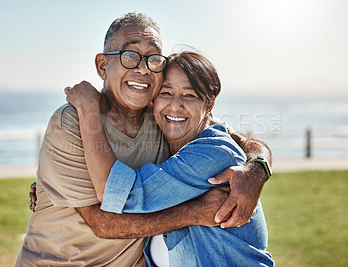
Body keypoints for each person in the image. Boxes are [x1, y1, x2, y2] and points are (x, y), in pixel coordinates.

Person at [19, 12, 272, 266]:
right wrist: (194, 212)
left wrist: (256, 169)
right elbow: (103, 223)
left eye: (153, 59)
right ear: (102, 66)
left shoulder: (168, 122)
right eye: (130, 56)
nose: (142, 68)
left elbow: (235, 143)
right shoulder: (72, 122)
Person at [66, 51, 274, 266]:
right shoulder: (166, 151)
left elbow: (119, 194)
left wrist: (87, 107)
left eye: (189, 96)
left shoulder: (213, 154)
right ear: (152, 101)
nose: (175, 106)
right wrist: (49, 187)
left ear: (209, 105)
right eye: (165, 93)